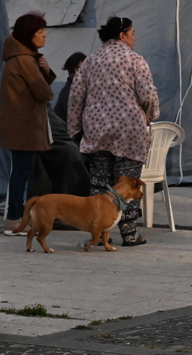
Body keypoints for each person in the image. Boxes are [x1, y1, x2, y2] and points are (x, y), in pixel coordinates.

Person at [67, 16, 159, 246]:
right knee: (128, 184)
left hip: (97, 130)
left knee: (100, 185)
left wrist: (75, 129)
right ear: (122, 35)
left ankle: (98, 234)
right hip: (130, 132)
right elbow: (147, 95)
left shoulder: (89, 62)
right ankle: (129, 234)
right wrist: (151, 115)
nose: (134, 38)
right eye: (133, 33)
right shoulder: (135, 60)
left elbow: (76, 97)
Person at [0, 12, 56, 235]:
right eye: (40, 33)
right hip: (24, 126)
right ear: (29, 36)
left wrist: (45, 70)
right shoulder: (23, 60)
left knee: (22, 171)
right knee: (21, 172)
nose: (44, 36)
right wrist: (45, 80)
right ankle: (13, 218)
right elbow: (43, 92)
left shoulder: (22, 58)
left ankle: (18, 215)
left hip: (21, 125)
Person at [54, 51, 86, 123]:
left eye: (79, 68)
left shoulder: (95, 86)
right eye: (72, 71)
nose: (76, 73)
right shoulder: (67, 92)